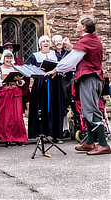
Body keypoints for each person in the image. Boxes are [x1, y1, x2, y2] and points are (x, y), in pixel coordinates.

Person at [46, 15, 111, 155]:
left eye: (78, 23)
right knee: (87, 109)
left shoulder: (87, 41)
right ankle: (89, 142)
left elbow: (71, 60)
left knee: (92, 110)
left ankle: (104, 144)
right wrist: (70, 48)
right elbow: (80, 55)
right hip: (90, 78)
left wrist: (56, 69)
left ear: (84, 27)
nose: (76, 25)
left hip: (89, 78)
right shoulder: (91, 39)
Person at [26, 35, 64, 143]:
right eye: (43, 42)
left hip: (54, 83)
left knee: (55, 107)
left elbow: (63, 66)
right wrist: (36, 69)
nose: (45, 43)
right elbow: (28, 69)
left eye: (47, 41)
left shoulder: (56, 55)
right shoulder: (35, 56)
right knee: (40, 108)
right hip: (41, 84)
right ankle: (40, 134)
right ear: (40, 45)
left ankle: (56, 134)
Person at [0, 50, 27, 147]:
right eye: (7, 58)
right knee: (6, 117)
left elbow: (21, 84)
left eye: (10, 58)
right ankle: (7, 138)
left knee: (17, 117)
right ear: (3, 59)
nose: (8, 60)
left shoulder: (16, 69)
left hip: (15, 94)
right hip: (4, 94)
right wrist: (2, 82)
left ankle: (18, 138)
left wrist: (19, 81)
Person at [52, 35, 73, 138]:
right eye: (56, 41)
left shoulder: (68, 53)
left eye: (60, 41)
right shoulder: (53, 55)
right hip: (59, 81)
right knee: (62, 105)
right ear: (53, 44)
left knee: (73, 102)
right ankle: (64, 128)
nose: (59, 43)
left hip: (69, 79)